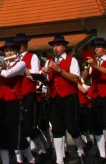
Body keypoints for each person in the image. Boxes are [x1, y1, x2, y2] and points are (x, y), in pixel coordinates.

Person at [44, 35, 84, 164]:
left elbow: (75, 78)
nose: (55, 48)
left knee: (72, 127)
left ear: (65, 47)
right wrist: (43, 74)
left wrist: (59, 70)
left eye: (58, 45)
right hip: (55, 98)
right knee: (57, 128)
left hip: (69, 97)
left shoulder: (71, 60)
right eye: (54, 46)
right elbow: (48, 81)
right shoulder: (50, 61)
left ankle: (80, 150)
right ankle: (59, 159)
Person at [0, 40, 27, 164]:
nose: (8, 53)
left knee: (16, 133)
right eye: (6, 51)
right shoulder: (2, 67)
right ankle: (5, 161)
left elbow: (8, 75)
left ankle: (28, 158)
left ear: (16, 52)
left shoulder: (21, 64)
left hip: (13, 101)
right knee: (1, 134)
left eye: (11, 50)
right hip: (1, 102)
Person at [13, 34, 47, 164]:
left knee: (29, 127)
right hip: (17, 94)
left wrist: (22, 68)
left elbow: (35, 75)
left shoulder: (32, 57)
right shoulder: (14, 58)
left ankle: (43, 149)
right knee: (20, 126)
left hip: (29, 94)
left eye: (20, 46)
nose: (18, 48)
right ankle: (22, 154)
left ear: (25, 45)